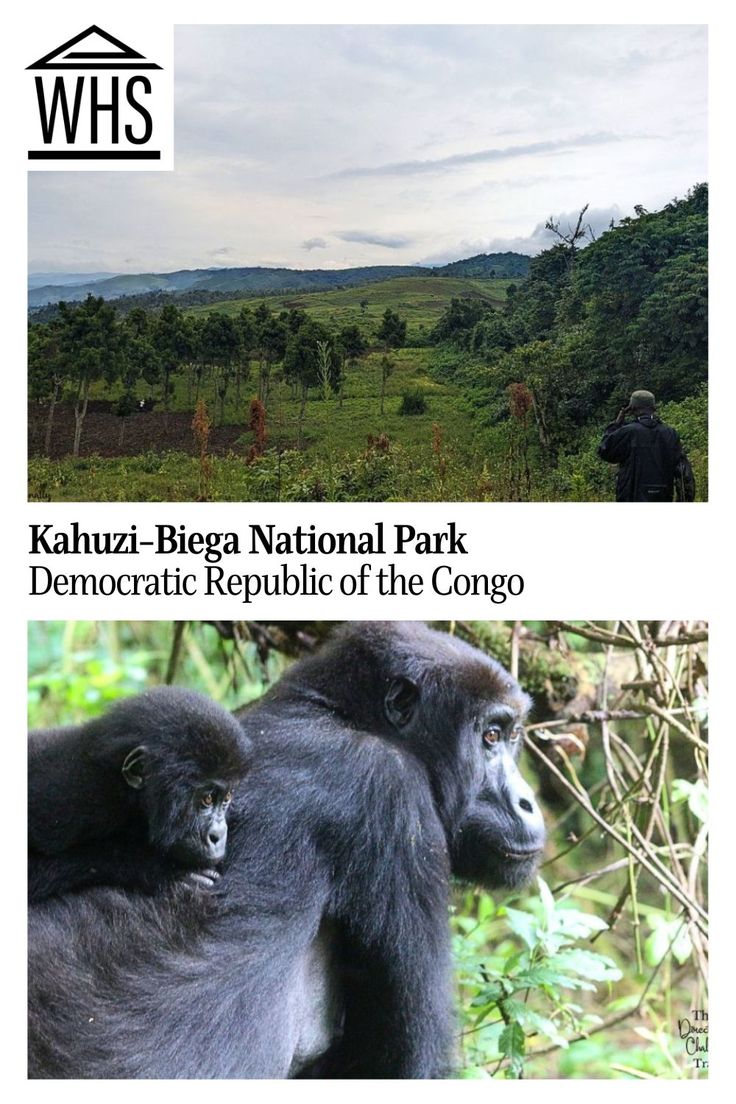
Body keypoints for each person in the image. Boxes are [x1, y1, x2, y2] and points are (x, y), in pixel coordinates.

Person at [598, 389, 695, 502]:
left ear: (632, 409)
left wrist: (616, 424)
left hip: (631, 497)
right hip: (663, 497)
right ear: (654, 408)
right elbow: (684, 473)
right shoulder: (670, 434)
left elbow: (604, 451)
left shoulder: (628, 432)